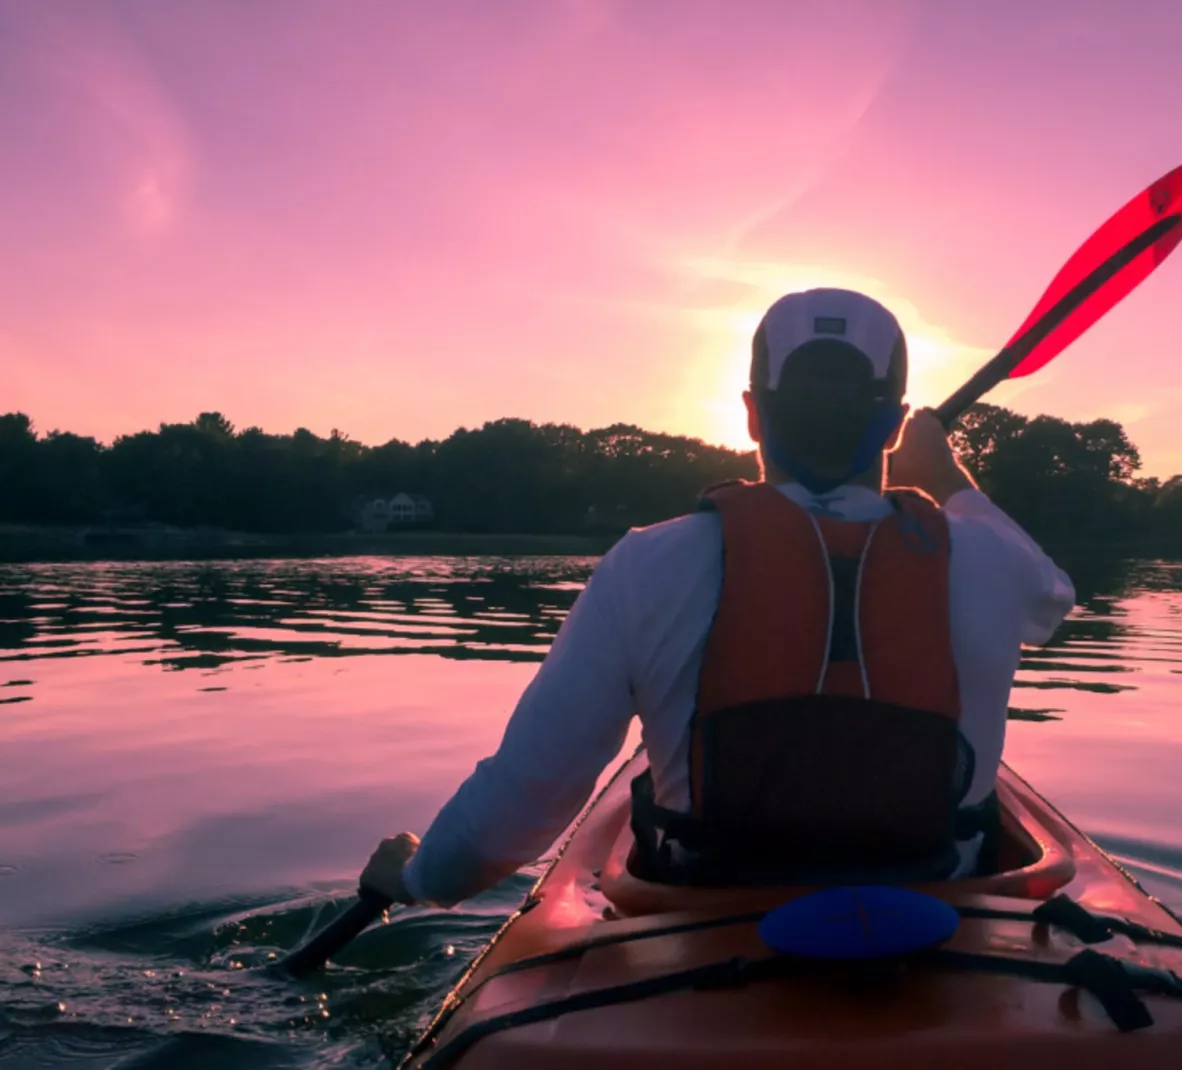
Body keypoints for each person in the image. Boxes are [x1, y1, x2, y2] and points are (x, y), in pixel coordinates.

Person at [360, 287, 1076, 905]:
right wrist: (945, 473)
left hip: (707, 918)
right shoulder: (988, 559)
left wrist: (419, 879)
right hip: (942, 913)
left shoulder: (648, 563)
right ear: (892, 424)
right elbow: (1053, 596)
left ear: (752, 415)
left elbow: (525, 797)